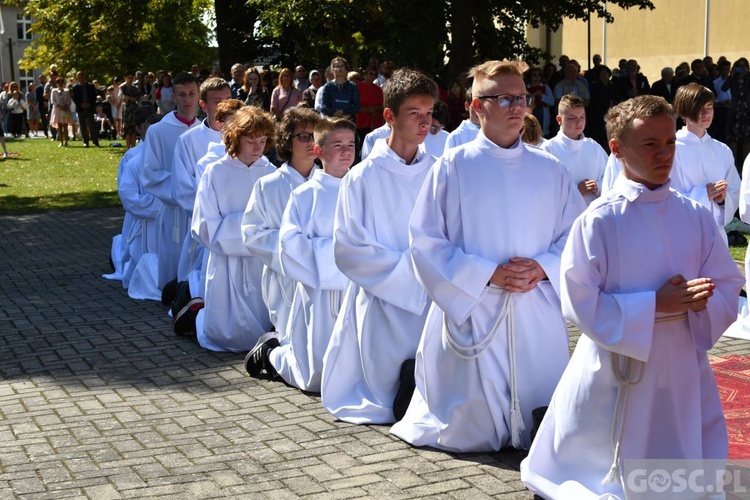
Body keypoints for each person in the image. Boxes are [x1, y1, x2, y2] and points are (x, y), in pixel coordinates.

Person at [521, 94, 744, 500]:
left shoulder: (693, 214)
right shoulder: (600, 219)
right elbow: (578, 298)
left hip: (678, 358)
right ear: (617, 149)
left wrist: (703, 299)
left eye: (670, 143)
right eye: (650, 145)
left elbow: (727, 281)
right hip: (616, 365)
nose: (665, 154)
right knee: (600, 468)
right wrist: (653, 306)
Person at [390, 60, 585, 451]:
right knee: (471, 427)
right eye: (504, 99)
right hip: (474, 306)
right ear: (476, 107)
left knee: (543, 419)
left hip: (534, 307)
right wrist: (486, 274)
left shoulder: (550, 168)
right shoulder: (453, 166)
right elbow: (425, 240)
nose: (517, 107)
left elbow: (576, 237)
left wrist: (543, 269)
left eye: (522, 97)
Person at [320, 68, 438, 425]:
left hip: (432, 302)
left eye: (429, 114)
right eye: (414, 114)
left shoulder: (439, 172)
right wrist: (413, 272)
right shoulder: (362, 177)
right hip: (380, 301)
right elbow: (349, 249)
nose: (424, 123)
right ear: (389, 116)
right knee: (382, 395)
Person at [245, 118, 356, 391]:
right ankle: (275, 354)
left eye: (351, 145)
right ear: (321, 151)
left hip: (356, 288)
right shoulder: (304, 195)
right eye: (338, 145)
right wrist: (341, 256)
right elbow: (290, 244)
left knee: (351, 368)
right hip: (318, 291)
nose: (346, 152)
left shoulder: (362, 189)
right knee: (315, 377)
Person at [185, 106, 278, 351]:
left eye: (263, 140)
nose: (258, 147)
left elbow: (278, 219)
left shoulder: (270, 172)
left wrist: (260, 237)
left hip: (261, 260)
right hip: (226, 261)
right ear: (235, 138)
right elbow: (205, 224)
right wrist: (252, 230)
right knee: (226, 334)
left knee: (262, 316)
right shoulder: (215, 172)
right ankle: (196, 317)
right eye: (251, 141)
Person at [241, 107, 322, 336]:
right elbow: (253, 233)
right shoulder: (269, 185)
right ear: (287, 140)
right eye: (303, 136)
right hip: (285, 277)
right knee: (291, 335)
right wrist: (296, 248)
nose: (311, 142)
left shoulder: (332, 183)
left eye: (316, 136)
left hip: (322, 274)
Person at [141, 73, 201, 293]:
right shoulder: (158, 131)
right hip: (174, 212)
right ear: (173, 96)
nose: (187, 100)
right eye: (182, 95)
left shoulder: (206, 132)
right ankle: (171, 296)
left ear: (199, 95)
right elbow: (150, 173)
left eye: (192, 94)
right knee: (172, 267)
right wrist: (182, 187)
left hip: (199, 210)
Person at [671, 83, 740, 246]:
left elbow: (735, 190)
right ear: (684, 112)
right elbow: (665, 195)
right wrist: (703, 195)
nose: (706, 112)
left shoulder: (721, 150)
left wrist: (723, 200)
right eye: (699, 107)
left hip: (715, 236)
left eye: (710, 107)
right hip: (682, 237)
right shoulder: (671, 149)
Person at [542, 94, 608, 205]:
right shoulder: (548, 149)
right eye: (572, 118)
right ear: (559, 120)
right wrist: (576, 192)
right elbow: (544, 189)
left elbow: (610, 178)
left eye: (582, 117)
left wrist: (597, 187)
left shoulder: (593, 146)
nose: (579, 122)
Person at [443, 87, 480, 153]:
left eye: (481, 106)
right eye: (474, 106)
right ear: (467, 106)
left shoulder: (496, 133)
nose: (478, 111)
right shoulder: (456, 137)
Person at [50, 77, 72, 147]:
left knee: (65, 126)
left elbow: (69, 100)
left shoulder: (67, 91)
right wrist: (59, 106)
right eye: (58, 82)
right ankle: (61, 141)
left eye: (61, 82)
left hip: (65, 109)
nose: (60, 84)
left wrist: (65, 106)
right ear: (57, 83)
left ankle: (66, 141)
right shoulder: (54, 91)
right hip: (57, 109)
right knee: (59, 126)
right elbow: (53, 100)